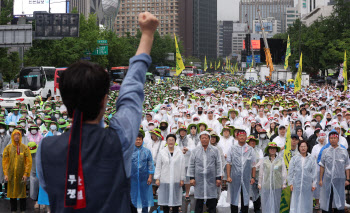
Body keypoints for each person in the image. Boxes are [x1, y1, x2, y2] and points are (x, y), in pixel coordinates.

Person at [36, 12, 159, 212]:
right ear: (104, 100)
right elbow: (131, 90)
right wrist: (147, 34)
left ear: (65, 101)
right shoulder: (119, 139)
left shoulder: (45, 149)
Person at [188, 131, 222, 213]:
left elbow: (219, 164)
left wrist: (218, 177)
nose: (204, 140)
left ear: (209, 139)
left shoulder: (215, 150)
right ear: (200, 139)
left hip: (211, 179)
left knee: (212, 201)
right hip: (199, 180)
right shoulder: (195, 151)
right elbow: (191, 164)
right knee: (199, 201)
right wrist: (192, 178)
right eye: (202, 138)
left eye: (206, 138)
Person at [319, 130, 350, 213]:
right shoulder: (325, 151)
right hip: (327, 180)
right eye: (331, 138)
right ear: (329, 139)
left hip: (339, 180)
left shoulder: (343, 151)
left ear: (338, 139)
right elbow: (322, 165)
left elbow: (347, 166)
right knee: (327, 199)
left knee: (339, 200)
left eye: (334, 138)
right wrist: (321, 179)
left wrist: (347, 179)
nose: (333, 140)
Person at [2, 130, 32, 213]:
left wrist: (26, 173)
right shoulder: (8, 148)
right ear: (12, 136)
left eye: (18, 135)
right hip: (11, 174)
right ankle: (13, 210)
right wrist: (6, 174)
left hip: (21, 174)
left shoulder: (24, 148)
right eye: (14, 135)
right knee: (12, 192)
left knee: (22, 192)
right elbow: (5, 162)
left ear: (20, 136)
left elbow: (28, 162)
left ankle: (23, 209)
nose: (16, 136)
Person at [226, 131, 256, 213]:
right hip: (235, 177)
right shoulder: (232, 148)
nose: (242, 137)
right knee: (234, 196)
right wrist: (228, 176)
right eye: (240, 136)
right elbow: (228, 163)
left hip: (246, 178)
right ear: (237, 137)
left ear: (246, 138)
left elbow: (253, 165)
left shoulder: (250, 149)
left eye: (244, 136)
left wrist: (253, 177)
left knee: (245, 197)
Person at [154, 134, 185, 213]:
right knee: (165, 201)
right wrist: (157, 178)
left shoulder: (179, 152)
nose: (171, 141)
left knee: (175, 200)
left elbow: (182, 166)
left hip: (176, 179)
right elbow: (158, 166)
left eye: (172, 140)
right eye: (169, 140)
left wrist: (182, 179)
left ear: (175, 141)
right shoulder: (162, 152)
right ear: (166, 142)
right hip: (165, 180)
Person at [288, 141, 317, 213]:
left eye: (304, 146)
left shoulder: (311, 159)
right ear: (299, 148)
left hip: (307, 185)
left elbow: (314, 172)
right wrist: (291, 183)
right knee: (296, 201)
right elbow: (290, 171)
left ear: (307, 147)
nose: (303, 148)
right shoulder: (294, 158)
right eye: (301, 146)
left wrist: (314, 184)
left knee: (306, 201)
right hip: (296, 184)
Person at [258, 142, 287, 213]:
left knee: (276, 202)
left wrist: (284, 183)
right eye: (271, 149)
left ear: (276, 150)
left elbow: (284, 172)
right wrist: (259, 183)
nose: (272, 150)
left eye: (274, 149)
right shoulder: (264, 160)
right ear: (268, 150)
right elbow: (261, 172)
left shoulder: (280, 159)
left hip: (277, 185)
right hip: (266, 185)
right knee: (266, 202)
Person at [130, 132, 154, 213]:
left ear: (142, 140)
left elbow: (150, 164)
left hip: (144, 178)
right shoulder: (129, 151)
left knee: (145, 197)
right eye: (136, 140)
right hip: (132, 178)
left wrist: (150, 177)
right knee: (132, 196)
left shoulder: (147, 151)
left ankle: (145, 211)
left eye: (139, 139)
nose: (138, 141)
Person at [246, 135, 263, 213]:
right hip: (247, 173)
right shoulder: (245, 150)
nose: (252, 142)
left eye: (253, 141)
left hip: (257, 173)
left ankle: (257, 207)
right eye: (251, 141)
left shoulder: (259, 150)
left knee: (256, 190)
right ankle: (244, 208)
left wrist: (254, 167)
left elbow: (261, 160)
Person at [311, 130, 327, 210]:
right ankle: (317, 203)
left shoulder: (327, 147)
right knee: (317, 185)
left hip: (326, 169)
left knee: (325, 186)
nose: (322, 139)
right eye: (320, 138)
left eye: (323, 138)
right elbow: (312, 158)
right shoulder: (315, 147)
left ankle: (324, 203)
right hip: (317, 169)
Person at [0, 121, 10, 197]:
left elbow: (9, 146)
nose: (1, 129)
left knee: (6, 173)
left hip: (6, 157)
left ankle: (7, 190)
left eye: (2, 127)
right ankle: (0, 190)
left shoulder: (8, 137)